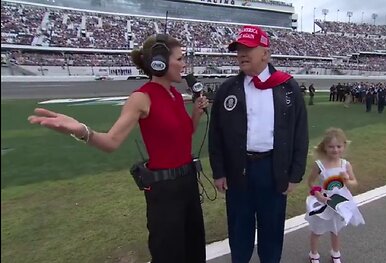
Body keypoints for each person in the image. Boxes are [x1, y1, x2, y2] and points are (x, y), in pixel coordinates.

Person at [27, 34, 209, 263]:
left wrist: (195, 114)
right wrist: (81, 130)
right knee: (169, 255)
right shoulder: (141, 98)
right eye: (180, 59)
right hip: (164, 191)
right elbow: (111, 142)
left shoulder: (174, 94)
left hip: (188, 184)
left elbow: (183, 137)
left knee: (194, 252)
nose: (184, 64)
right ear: (159, 61)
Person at [208, 25, 309, 263]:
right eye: (239, 49)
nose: (242, 54)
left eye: (248, 49)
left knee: (272, 229)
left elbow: (300, 132)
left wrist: (295, 174)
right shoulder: (228, 89)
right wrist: (219, 171)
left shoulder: (287, 87)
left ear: (265, 53)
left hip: (272, 169)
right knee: (239, 228)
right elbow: (216, 134)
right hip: (238, 169)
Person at [305, 128, 365, 263]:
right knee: (317, 230)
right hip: (323, 202)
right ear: (325, 147)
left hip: (340, 202)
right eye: (331, 147)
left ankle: (335, 252)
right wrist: (318, 194)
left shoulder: (345, 165)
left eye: (339, 146)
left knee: (336, 229)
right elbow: (310, 182)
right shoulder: (319, 165)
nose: (335, 150)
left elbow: (354, 183)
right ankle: (313, 253)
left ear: (344, 146)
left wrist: (347, 180)